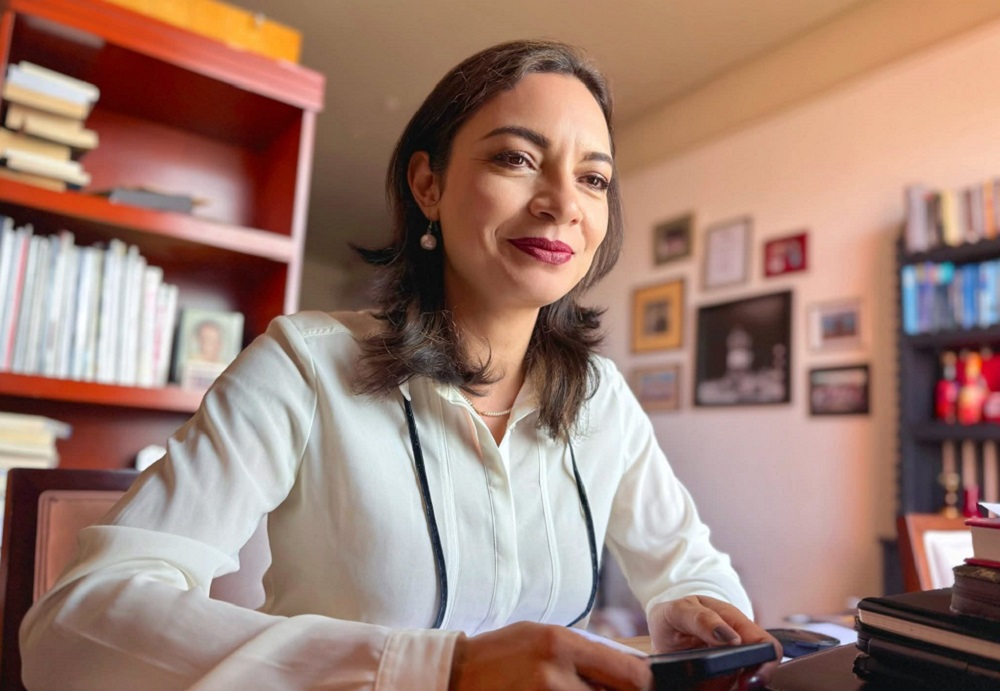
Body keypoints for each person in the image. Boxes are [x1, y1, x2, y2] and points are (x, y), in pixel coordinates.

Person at [19, 39, 780, 690]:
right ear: (429, 184)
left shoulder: (600, 398)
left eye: (593, 177)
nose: (561, 202)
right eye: (518, 157)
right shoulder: (305, 364)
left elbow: (693, 570)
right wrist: (441, 668)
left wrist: (689, 605)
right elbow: (73, 628)